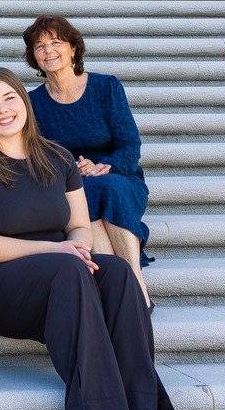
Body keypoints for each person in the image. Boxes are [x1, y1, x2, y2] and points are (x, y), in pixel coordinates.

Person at [0, 68, 189, 410]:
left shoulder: (57, 156)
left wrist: (77, 247)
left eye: (9, 98)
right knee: (69, 267)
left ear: (24, 103)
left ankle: (145, 407)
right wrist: (58, 252)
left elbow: (79, 225)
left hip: (61, 274)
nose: (2, 110)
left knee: (115, 271)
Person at [24, 16, 154, 305]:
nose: (48, 51)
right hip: (71, 183)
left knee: (108, 187)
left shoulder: (106, 87)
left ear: (73, 49)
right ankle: (124, 292)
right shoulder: (33, 103)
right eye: (39, 46)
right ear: (33, 56)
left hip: (120, 176)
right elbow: (39, 155)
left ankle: (133, 282)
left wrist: (103, 166)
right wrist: (73, 170)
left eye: (56, 42)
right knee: (87, 191)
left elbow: (130, 144)